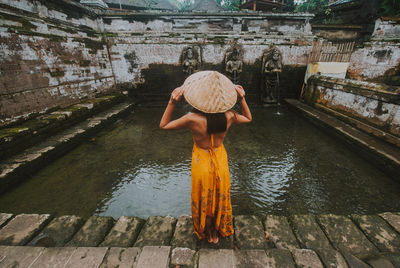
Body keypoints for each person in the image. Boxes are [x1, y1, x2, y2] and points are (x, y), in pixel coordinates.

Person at [159, 71, 252, 244]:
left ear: (198, 98)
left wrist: (172, 102)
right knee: (220, 195)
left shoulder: (191, 118)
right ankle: (217, 230)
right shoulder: (229, 116)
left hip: (201, 162)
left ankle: (208, 231)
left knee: (205, 198)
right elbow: (248, 117)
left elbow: (163, 125)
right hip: (220, 159)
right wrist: (241, 99)